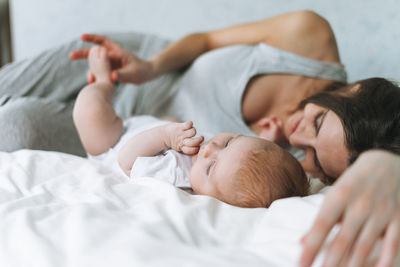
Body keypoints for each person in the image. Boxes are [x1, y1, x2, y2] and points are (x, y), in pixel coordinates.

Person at [69, 11, 400, 266]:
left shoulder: (279, 169)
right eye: (318, 121)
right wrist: (149, 67)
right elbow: (205, 40)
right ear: (355, 89)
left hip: (115, 128)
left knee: (18, 123)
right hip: (138, 65)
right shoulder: (309, 35)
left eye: (312, 155)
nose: (298, 137)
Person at [73, 46, 309, 208]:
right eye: (229, 142)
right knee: (174, 120)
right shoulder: (216, 161)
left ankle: (104, 81)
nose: (210, 148)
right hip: (144, 128)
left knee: (89, 112)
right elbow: (248, 157)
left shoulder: (177, 177)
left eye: (211, 167)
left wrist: (165, 135)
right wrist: (268, 139)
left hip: (112, 143)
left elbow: (127, 160)